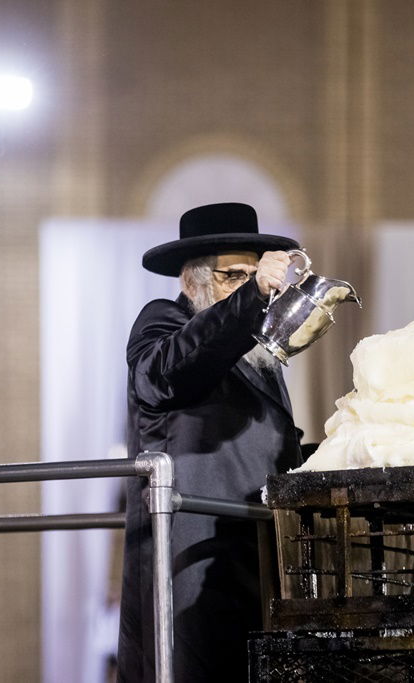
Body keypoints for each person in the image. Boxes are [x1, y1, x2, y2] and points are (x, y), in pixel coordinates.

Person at [117, 202, 305, 681]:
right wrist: (250, 298)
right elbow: (168, 373)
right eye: (233, 276)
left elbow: (273, 447)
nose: (250, 288)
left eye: (254, 276)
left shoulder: (258, 352)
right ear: (191, 281)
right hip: (191, 548)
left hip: (257, 545)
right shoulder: (163, 322)